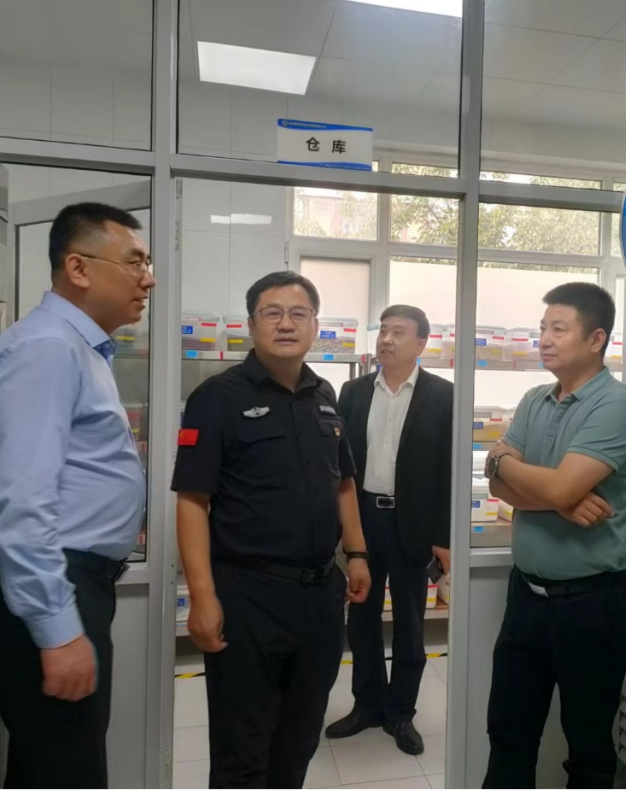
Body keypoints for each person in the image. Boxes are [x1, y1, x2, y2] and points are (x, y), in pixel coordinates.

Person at [0, 203, 154, 789]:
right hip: (46, 585)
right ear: (79, 267)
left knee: (49, 767)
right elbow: (22, 503)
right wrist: (57, 628)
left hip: (65, 580)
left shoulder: (77, 348)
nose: (147, 279)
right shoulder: (46, 349)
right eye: (135, 262)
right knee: (67, 771)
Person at [173, 270, 373, 789]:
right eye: (273, 313)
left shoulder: (323, 394)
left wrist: (356, 553)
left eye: (299, 313)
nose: (287, 324)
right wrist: (202, 597)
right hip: (248, 597)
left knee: (299, 740)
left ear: (315, 325)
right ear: (251, 325)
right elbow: (192, 501)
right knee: (243, 753)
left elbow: (343, 481)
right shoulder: (217, 397)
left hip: (319, 597)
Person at [482, 282, 626, 790]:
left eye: (559, 329)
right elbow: (497, 486)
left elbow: (529, 478)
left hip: (591, 605)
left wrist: (507, 462)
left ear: (596, 339)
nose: (545, 339)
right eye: (542, 329)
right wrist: (558, 497)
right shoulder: (535, 399)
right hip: (525, 598)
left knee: (588, 747)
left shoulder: (616, 405)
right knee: (508, 735)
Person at [326, 305, 453, 756]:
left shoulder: (444, 395)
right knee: (361, 619)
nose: (386, 339)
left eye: (398, 332)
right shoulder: (354, 391)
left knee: (410, 623)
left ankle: (401, 712)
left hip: (412, 523)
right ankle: (367, 705)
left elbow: (449, 470)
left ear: (421, 343)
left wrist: (444, 536)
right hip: (363, 519)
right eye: (383, 330)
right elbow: (338, 464)